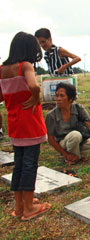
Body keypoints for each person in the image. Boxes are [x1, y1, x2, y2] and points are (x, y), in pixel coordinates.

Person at [0, 32, 50, 220]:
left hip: (14, 123)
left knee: (19, 165)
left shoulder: (2, 69)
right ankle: (29, 208)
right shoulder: (25, 66)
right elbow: (34, 86)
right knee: (30, 165)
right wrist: (35, 98)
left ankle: (20, 206)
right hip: (30, 122)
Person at [45, 82, 90, 165]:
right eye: (57, 95)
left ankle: (76, 156)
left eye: (62, 96)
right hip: (64, 142)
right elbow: (51, 140)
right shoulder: (51, 115)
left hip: (80, 140)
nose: (58, 99)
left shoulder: (78, 108)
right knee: (75, 135)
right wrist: (65, 154)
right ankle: (72, 157)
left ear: (71, 99)